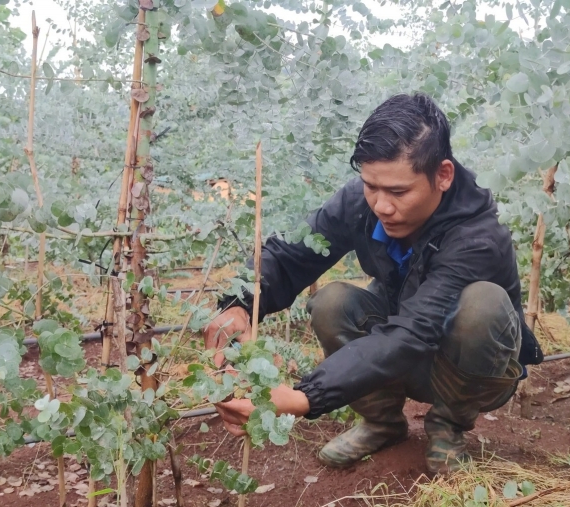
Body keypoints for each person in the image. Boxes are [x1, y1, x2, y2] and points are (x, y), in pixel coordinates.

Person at [203, 93, 544, 474]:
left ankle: (447, 426)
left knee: (483, 305)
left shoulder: (478, 235)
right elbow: (291, 256)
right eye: (371, 186)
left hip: (472, 369)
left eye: (398, 192)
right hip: (400, 355)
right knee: (331, 302)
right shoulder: (360, 201)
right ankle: (384, 423)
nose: (381, 206)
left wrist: (304, 397)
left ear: (443, 175)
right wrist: (238, 303)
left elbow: (413, 331)